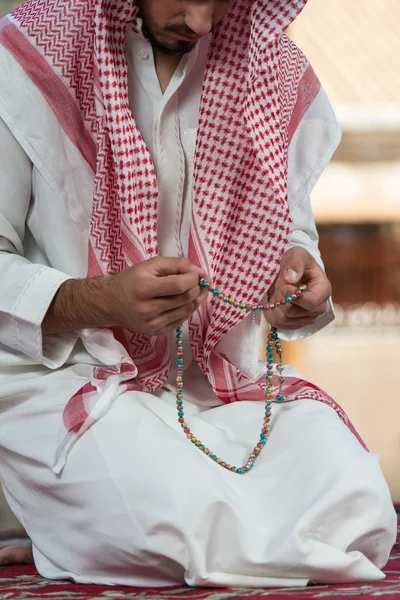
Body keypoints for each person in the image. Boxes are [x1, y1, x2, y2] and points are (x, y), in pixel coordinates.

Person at [0, 0, 396, 589]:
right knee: (174, 523)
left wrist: (294, 275)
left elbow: (288, 229)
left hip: (214, 386)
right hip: (74, 379)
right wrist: (100, 300)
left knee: (358, 502)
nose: (203, 22)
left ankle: (83, 528)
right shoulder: (28, 54)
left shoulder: (267, 67)